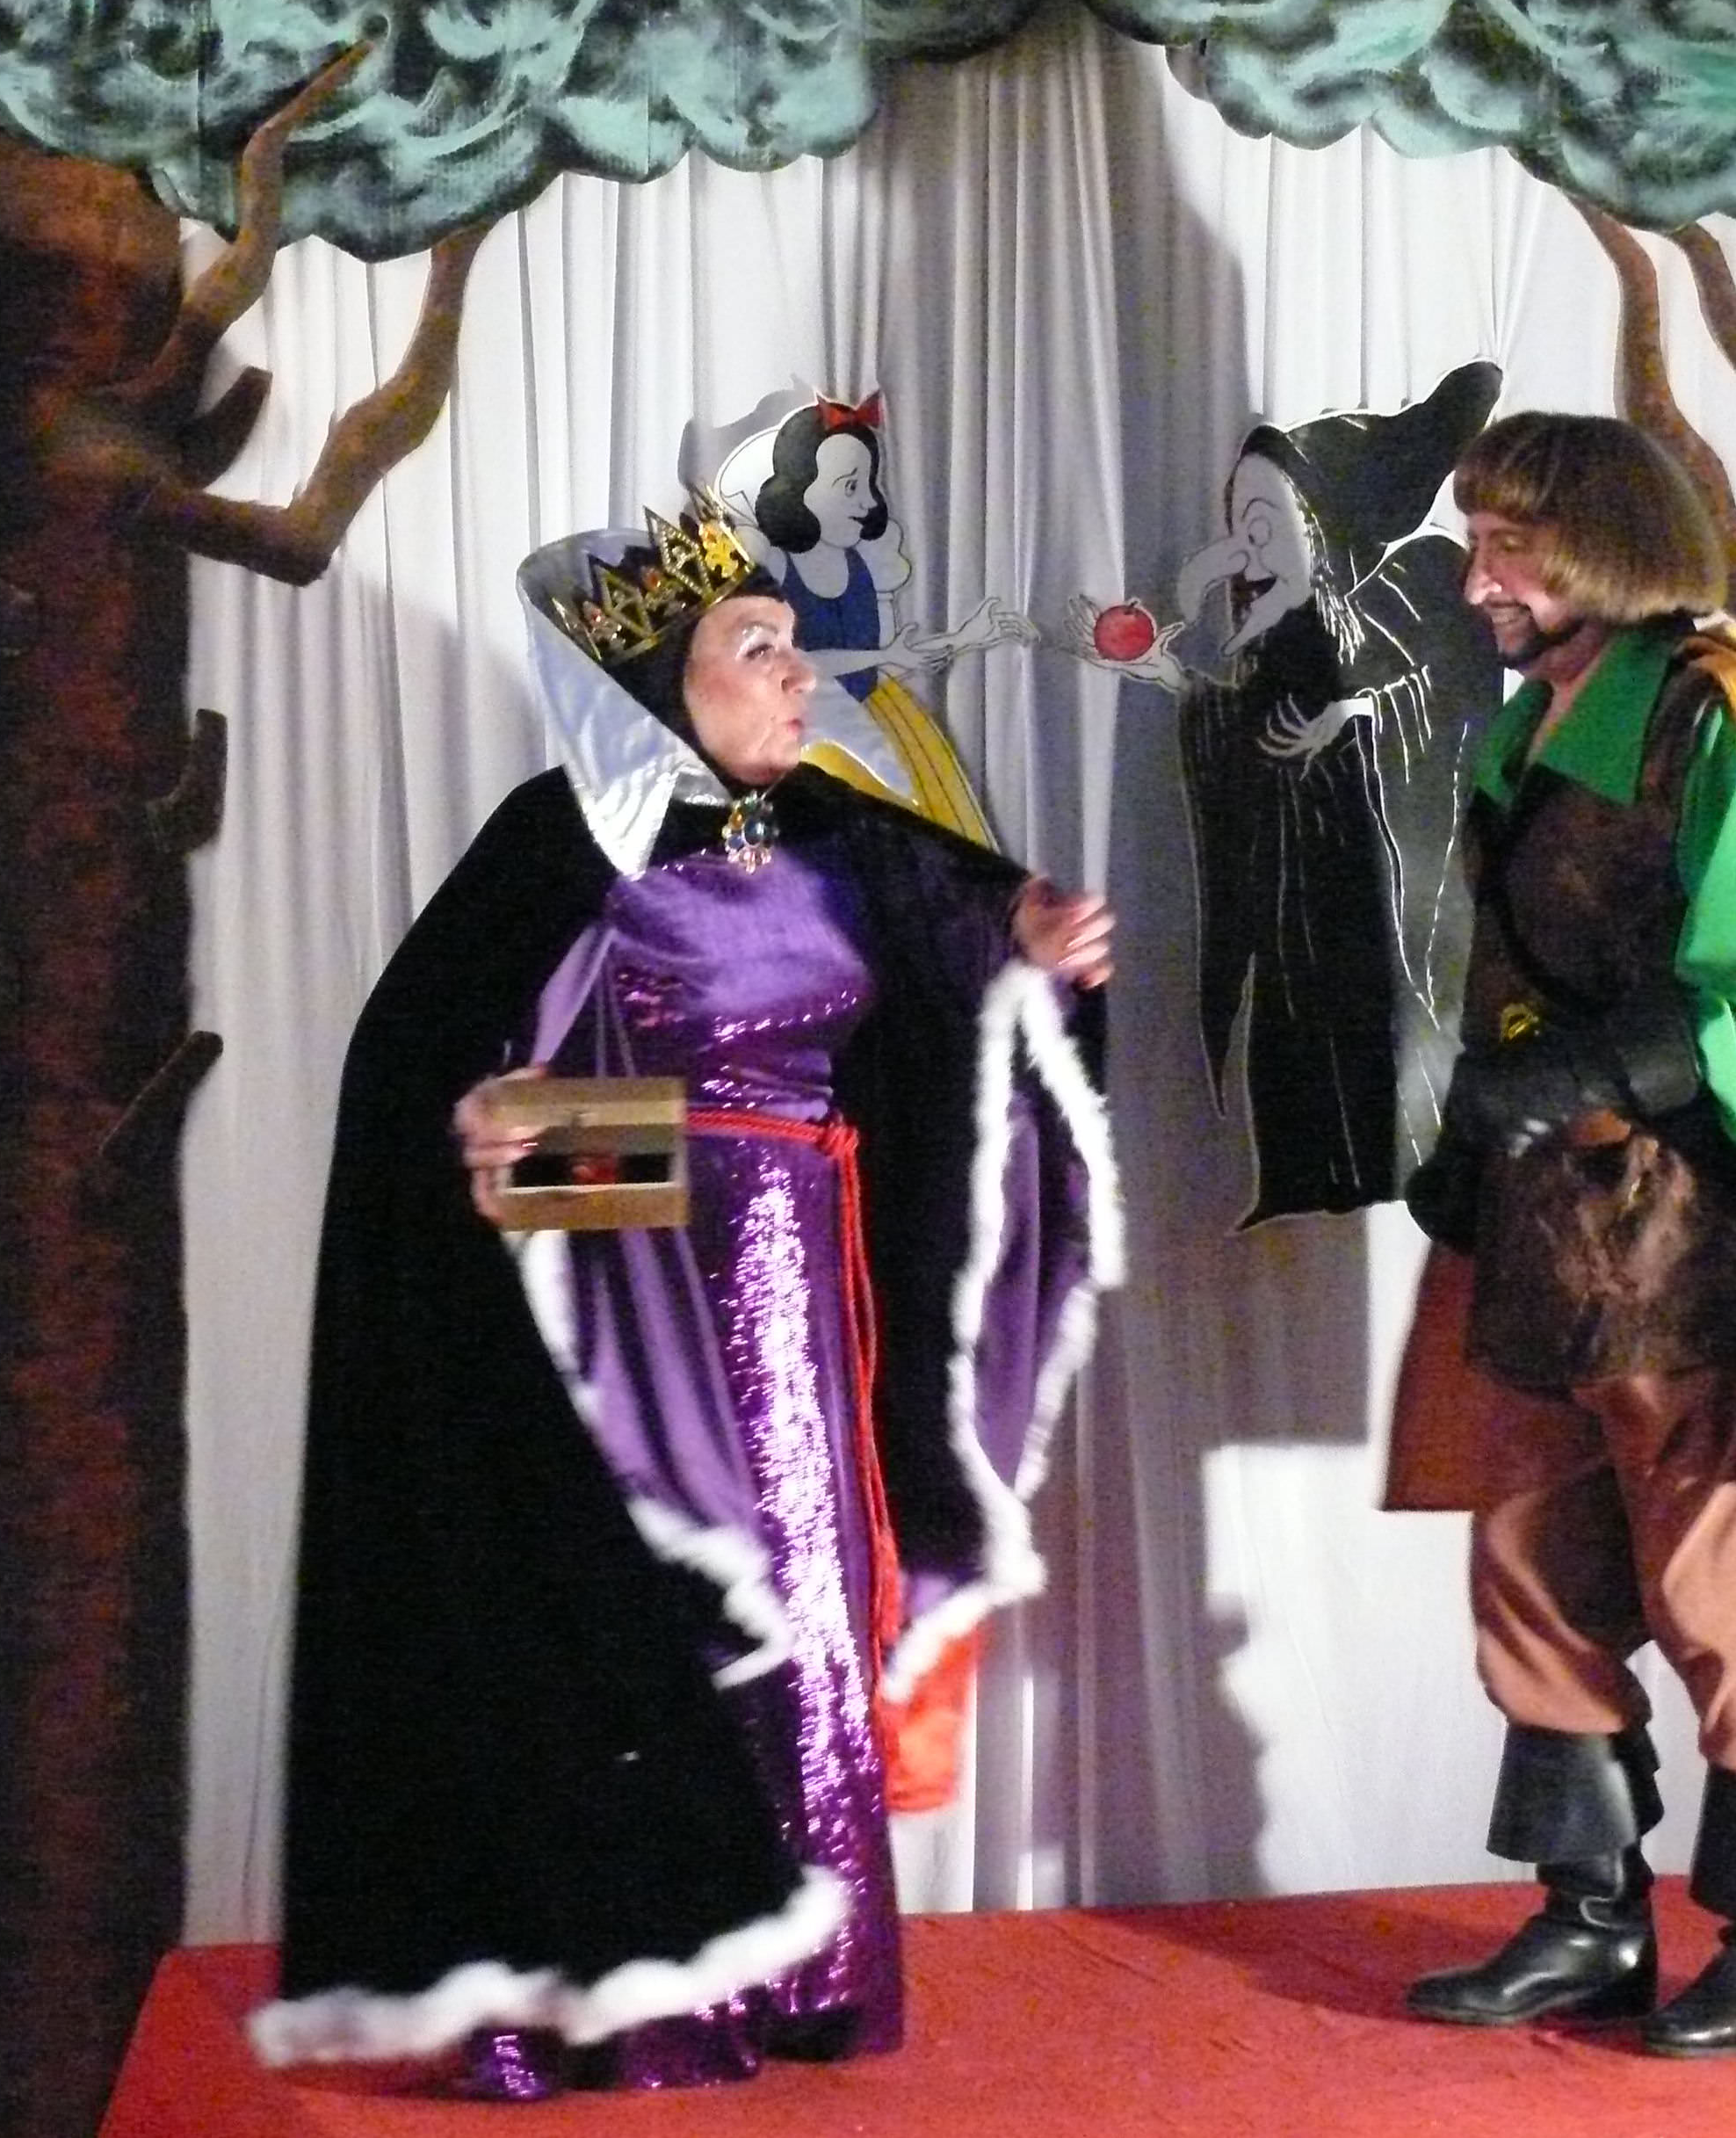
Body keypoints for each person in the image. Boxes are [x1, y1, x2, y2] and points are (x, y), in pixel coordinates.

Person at [249, 504, 1119, 2098]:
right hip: (629, 1318)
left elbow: (955, 973)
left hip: (808, 1300)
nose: (798, 678)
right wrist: (615, 1167)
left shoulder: (841, 839)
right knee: (648, 1612)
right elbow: (432, 1100)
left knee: (804, 1604)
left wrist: (1033, 952)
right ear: (658, 685)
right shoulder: (557, 845)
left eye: (792, 646)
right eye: (756, 648)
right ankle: (632, 1991)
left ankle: (801, 1972)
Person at [1386, 411, 1736, 2057]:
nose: (1477, 580)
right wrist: (1474, 1137)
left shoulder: (1714, 716)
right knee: (1529, 1567)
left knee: (1727, 1583)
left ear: (1603, 552)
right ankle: (1587, 1918)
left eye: (1508, 548)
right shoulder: (1529, 728)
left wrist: (1574, 1076)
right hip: (1549, 1235)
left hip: (1709, 1241)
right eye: (1477, 543)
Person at [1171, 362, 1501, 1221]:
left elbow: (1447, 694)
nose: (1247, 551)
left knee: (1376, 1055)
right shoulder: (1257, 651)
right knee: (1295, 1047)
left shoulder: (1414, 588)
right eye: (1237, 529)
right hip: (1293, 922)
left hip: (1378, 913)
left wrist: (1355, 712)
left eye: (1266, 525)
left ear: (1319, 528)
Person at [735, 395, 1031, 843]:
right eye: (848, 487)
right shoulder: (776, 569)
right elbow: (802, 660)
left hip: (880, 716)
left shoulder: (864, 568)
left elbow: (896, 651)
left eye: (868, 486)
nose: (866, 502)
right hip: (811, 733)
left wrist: (964, 637)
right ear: (799, 489)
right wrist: (885, 654)